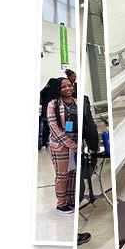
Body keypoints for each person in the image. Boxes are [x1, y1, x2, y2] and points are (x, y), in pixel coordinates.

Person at [47, 77, 78, 214]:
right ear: (58, 90)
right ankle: (61, 204)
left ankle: (71, 200)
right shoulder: (53, 104)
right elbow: (54, 127)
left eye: (69, 86)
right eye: (63, 87)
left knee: (73, 174)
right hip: (60, 145)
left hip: (75, 143)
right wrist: (70, 144)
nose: (68, 89)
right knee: (62, 175)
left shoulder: (77, 102)